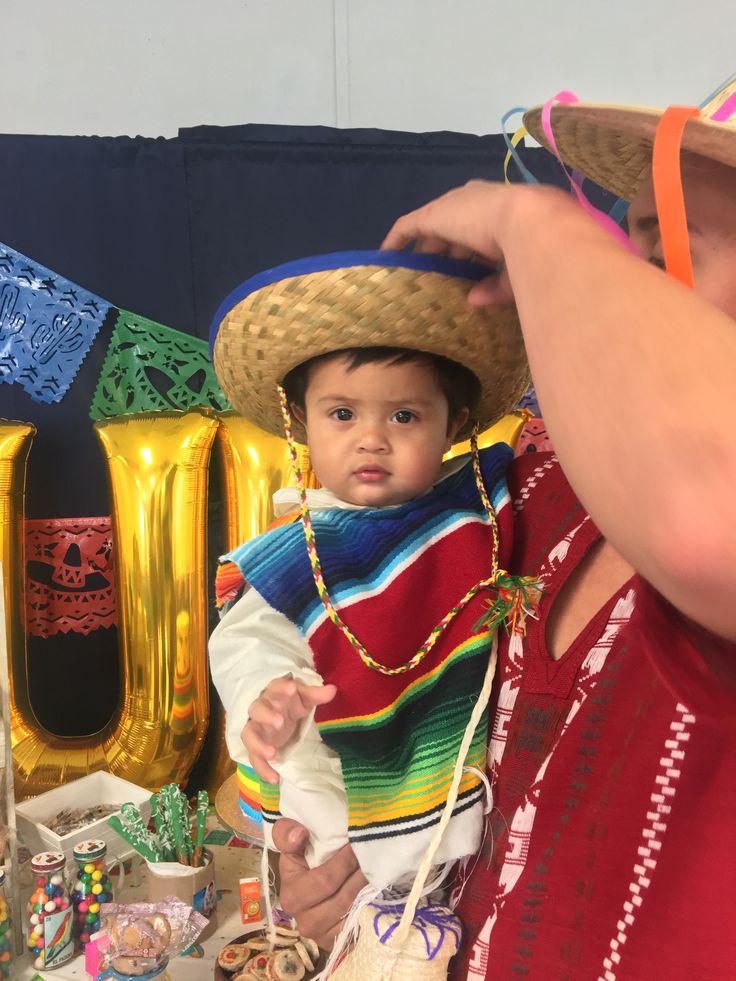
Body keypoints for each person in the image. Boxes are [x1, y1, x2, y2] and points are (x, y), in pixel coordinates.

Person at [271, 80, 736, 979]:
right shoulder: (539, 474)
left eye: (696, 245)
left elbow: (703, 523)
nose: (650, 284)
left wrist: (540, 227)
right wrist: (369, 874)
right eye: (645, 243)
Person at [208, 253, 533, 898]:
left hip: (474, 792)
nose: (372, 440)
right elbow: (248, 641)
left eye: (405, 416)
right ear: (301, 423)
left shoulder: (479, 510)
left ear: (456, 425)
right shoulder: (296, 551)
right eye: (343, 415)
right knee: (369, 916)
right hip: (340, 789)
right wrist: (265, 696)